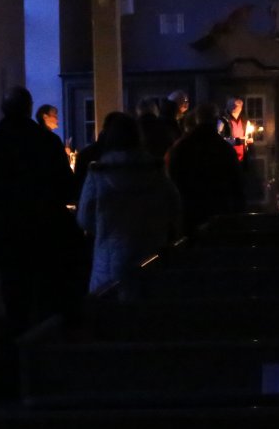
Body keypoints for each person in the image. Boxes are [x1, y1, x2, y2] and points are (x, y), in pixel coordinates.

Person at [0, 86, 80, 332]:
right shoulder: (47, 143)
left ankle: (15, 353)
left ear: (3, 111)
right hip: (44, 232)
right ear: (30, 110)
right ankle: (46, 353)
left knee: (13, 300)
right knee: (46, 299)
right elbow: (68, 188)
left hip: (4, 234)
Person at [77, 112, 182, 296]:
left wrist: (103, 228)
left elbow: (84, 218)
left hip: (109, 257)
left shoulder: (98, 173)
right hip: (150, 251)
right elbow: (174, 207)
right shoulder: (155, 170)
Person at [166, 102, 245, 233]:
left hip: (189, 213)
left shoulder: (181, 148)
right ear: (216, 121)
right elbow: (236, 185)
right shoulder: (224, 149)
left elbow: (172, 180)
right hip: (219, 213)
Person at [36, 103, 77, 169]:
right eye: (55, 116)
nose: (57, 119)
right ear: (45, 117)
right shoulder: (53, 140)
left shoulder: (36, 137)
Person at [217, 96, 252, 162]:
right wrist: (236, 141)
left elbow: (248, 134)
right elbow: (218, 139)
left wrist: (248, 140)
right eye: (234, 105)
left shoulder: (244, 121)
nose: (237, 107)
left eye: (239, 106)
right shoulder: (222, 121)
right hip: (229, 158)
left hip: (243, 157)